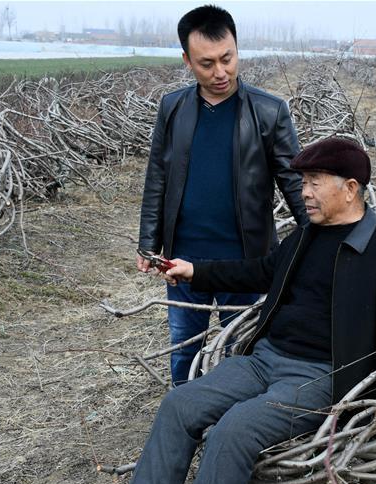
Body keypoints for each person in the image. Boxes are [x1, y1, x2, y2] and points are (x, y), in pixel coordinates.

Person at [56, 138, 376, 484]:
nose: (304, 192)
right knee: (180, 404)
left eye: (314, 182)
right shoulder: (307, 235)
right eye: (303, 182)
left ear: (350, 188)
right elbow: (259, 271)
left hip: (320, 376)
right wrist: (196, 271)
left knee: (235, 429)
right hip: (264, 359)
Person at [136, 5, 307, 386]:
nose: (220, 72)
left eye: (227, 59)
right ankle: (185, 407)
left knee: (242, 347)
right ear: (187, 61)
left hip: (246, 261)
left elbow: (294, 184)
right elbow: (158, 177)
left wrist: (317, 238)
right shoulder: (173, 108)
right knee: (184, 346)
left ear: (237, 50)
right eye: (207, 63)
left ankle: (237, 413)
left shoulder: (269, 111)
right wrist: (148, 242)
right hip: (183, 257)